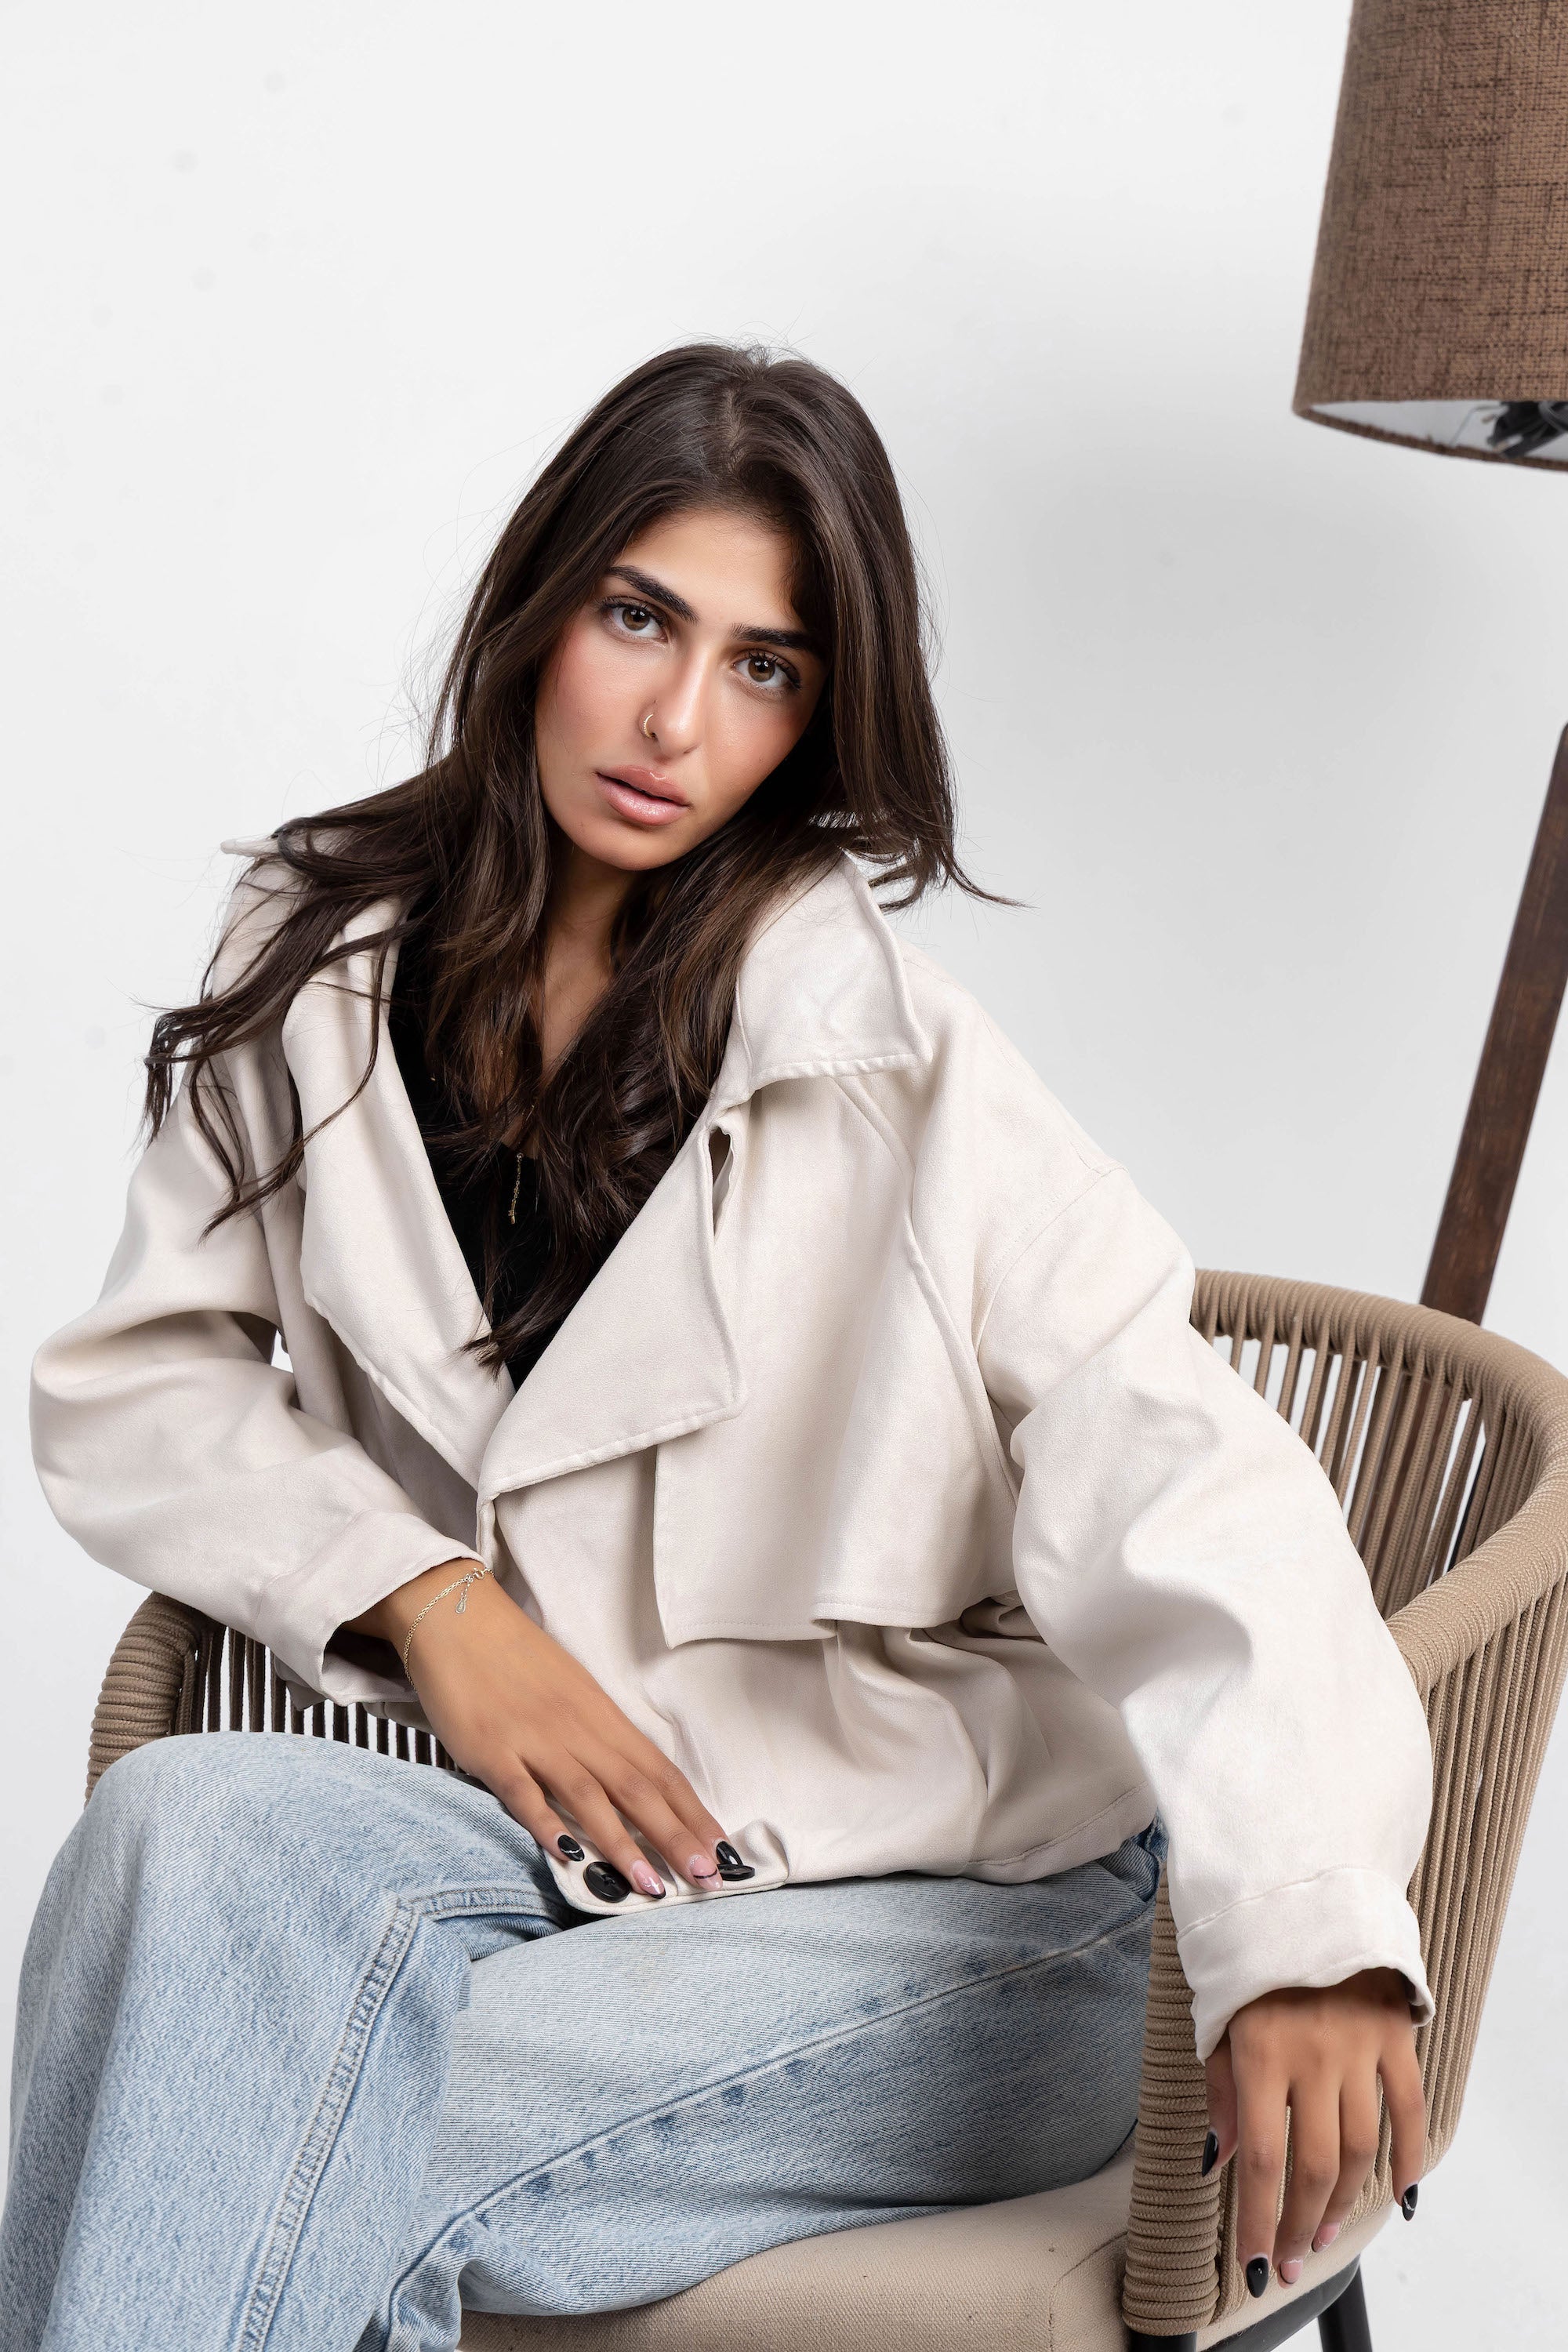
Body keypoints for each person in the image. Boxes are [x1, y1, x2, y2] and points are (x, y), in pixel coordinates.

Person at [9, 343, 1431, 2352]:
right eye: (639, 618)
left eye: (764, 667)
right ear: (539, 608)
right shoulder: (321, 959)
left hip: (982, 1914)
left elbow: (1183, 1464)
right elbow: (142, 1380)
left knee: (262, 2144)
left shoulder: (894, 1067)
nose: (679, 720)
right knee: (180, 1832)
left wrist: (1313, 1939)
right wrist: (424, 1597)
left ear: (824, 712)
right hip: (554, 1853)